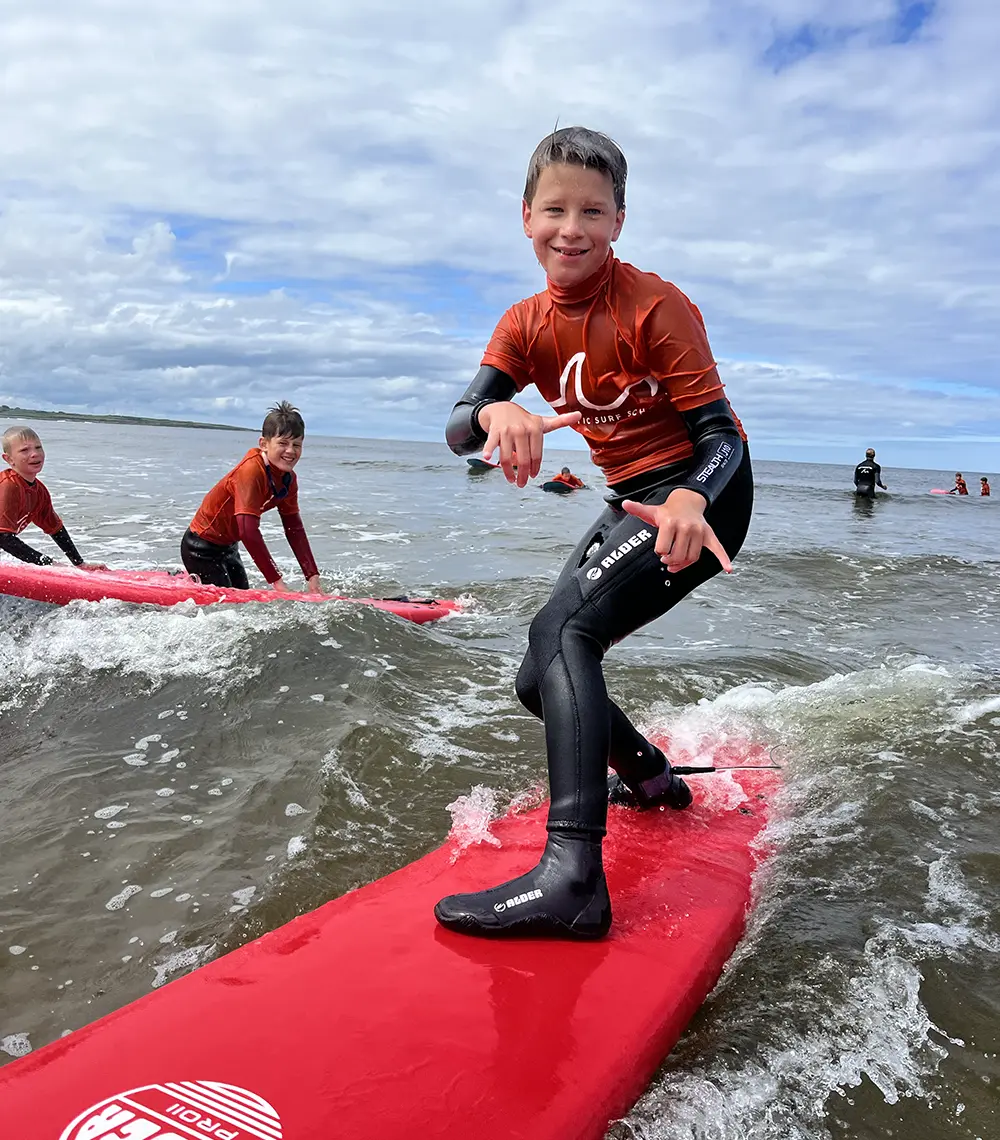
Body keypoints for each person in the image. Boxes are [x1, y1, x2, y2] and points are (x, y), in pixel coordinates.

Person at [438, 126, 752, 940]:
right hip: (630, 498)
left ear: (618, 222)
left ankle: (574, 877)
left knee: (562, 630)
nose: (570, 228)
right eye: (555, 209)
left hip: (699, 495)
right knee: (537, 680)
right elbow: (456, 429)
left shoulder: (655, 304)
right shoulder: (524, 322)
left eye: (592, 211)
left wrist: (691, 500)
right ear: (526, 216)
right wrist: (494, 410)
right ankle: (651, 782)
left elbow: (724, 436)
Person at [181, 402, 322, 592]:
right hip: (200, 548)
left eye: (297, 445)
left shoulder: (288, 479)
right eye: (283, 443)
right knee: (226, 607)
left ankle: (191, 583)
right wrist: (278, 582)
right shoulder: (251, 471)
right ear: (263, 444)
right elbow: (248, 531)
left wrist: (312, 576)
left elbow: (293, 528)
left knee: (242, 600)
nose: (291, 451)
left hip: (229, 547)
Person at [0, 426, 105, 570]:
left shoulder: (39, 491)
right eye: (25, 450)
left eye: (38, 447)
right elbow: (3, 538)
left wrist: (80, 564)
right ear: (9, 459)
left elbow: (55, 529)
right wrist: (49, 564)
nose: (35, 454)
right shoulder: (7, 486)